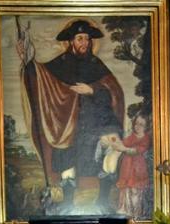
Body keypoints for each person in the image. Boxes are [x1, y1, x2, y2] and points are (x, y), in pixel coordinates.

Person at [18, 19, 125, 209]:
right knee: (66, 163)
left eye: (87, 39)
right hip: (67, 124)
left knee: (105, 158)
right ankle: (67, 205)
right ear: (71, 41)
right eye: (80, 38)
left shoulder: (96, 64)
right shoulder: (61, 63)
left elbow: (113, 92)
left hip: (95, 123)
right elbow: (40, 76)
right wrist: (27, 60)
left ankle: (102, 203)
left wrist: (92, 89)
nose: (84, 43)